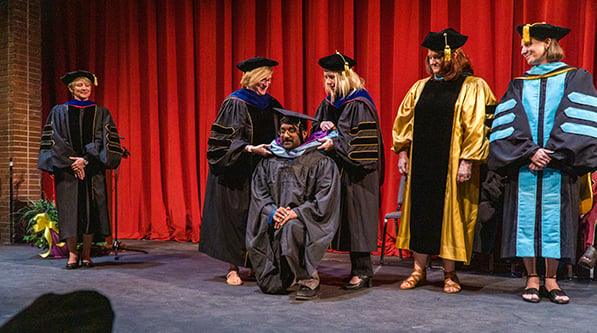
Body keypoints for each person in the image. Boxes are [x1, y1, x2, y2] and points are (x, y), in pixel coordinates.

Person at [489, 23, 597, 304]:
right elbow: (508, 121)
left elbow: (578, 119)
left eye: (529, 45)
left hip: (559, 165)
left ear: (547, 43)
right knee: (525, 221)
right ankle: (532, 278)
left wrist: (550, 152)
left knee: (555, 221)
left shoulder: (576, 78)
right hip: (526, 164)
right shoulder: (518, 83)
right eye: (523, 46)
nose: (523, 51)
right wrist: (528, 151)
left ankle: (552, 279)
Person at [392, 28, 497, 293]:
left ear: (454, 56)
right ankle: (418, 270)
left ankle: (450, 273)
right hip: (422, 164)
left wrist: (468, 161)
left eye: (438, 57)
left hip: (454, 167)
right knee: (420, 214)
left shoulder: (473, 86)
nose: (433, 62)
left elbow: (478, 126)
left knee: (452, 217)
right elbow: (404, 121)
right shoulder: (420, 87)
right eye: (430, 58)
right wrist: (403, 153)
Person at [199, 57, 282, 286]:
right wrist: (248, 148)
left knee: (260, 220)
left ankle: (257, 265)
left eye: (268, 80)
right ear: (250, 79)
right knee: (236, 219)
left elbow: (284, 131)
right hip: (236, 170)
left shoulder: (271, 103)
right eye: (262, 80)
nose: (265, 85)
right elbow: (221, 142)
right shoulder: (235, 102)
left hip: (263, 173)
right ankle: (232, 268)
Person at [246, 108, 341, 300]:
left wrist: (294, 213)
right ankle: (286, 274)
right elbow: (259, 193)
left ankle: (309, 280)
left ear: (304, 133)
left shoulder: (319, 162)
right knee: (271, 286)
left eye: (291, 130)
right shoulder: (270, 160)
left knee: (290, 227)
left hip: (305, 221)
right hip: (275, 218)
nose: (285, 135)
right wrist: (274, 212)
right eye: (282, 130)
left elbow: (324, 197)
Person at [38, 70, 124, 269]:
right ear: (71, 88)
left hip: (93, 169)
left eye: (87, 85)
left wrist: (85, 160)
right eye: (79, 85)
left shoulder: (102, 113)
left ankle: (86, 254)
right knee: (70, 211)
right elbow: (55, 140)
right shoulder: (59, 111)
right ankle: (72, 254)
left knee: (91, 212)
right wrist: (73, 163)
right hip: (67, 171)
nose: (84, 88)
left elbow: (104, 141)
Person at [313, 52, 384, 290]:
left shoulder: (359, 103)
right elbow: (317, 133)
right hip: (338, 172)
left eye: (332, 77)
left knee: (358, 220)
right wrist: (320, 127)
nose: (329, 82)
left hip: (359, 173)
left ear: (345, 77)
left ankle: (363, 272)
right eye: (326, 77)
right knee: (345, 218)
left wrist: (335, 142)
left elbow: (360, 144)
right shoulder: (329, 102)